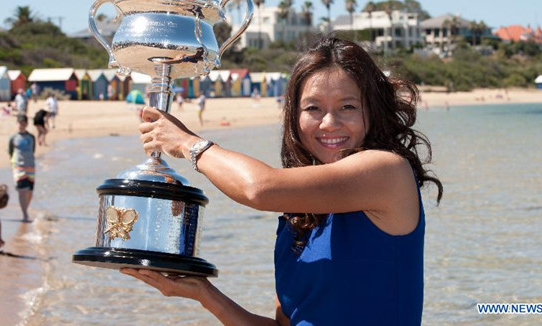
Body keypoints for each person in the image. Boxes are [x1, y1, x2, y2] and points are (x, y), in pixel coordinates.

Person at [122, 36, 443, 325]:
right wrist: (205, 294)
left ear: (371, 110)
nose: (329, 123)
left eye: (347, 106)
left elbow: (258, 188)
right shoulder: (297, 218)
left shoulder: (387, 171)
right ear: (294, 116)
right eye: (313, 108)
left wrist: (186, 143)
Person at [8, 114, 36, 222]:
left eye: (24, 123)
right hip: (18, 167)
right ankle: (25, 214)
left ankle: (25, 209)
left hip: (31, 167)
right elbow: (10, 152)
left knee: (29, 192)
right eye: (20, 123)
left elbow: (33, 150)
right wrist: (13, 163)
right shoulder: (13, 138)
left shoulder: (31, 137)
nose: (22, 126)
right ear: (17, 124)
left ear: (27, 124)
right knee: (22, 191)